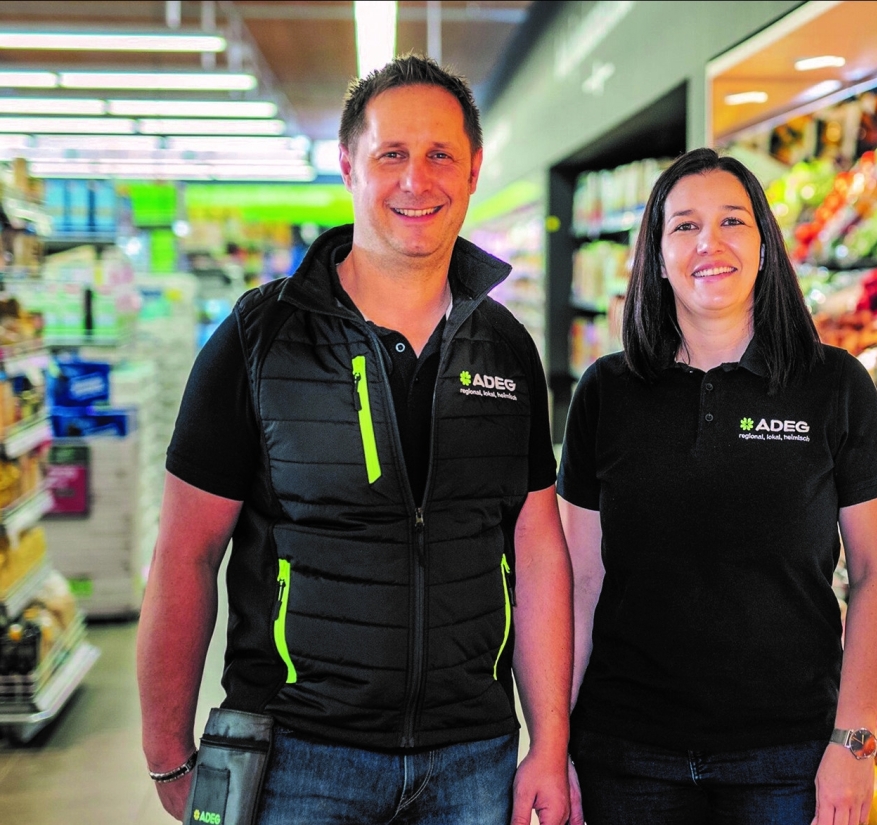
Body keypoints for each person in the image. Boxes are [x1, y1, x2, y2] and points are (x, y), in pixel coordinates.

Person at [138, 54, 573, 825]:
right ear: (348, 165)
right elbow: (185, 553)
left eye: (440, 154)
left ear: (474, 170)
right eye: (391, 153)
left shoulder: (507, 349)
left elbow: (537, 552)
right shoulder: (258, 339)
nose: (416, 179)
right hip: (298, 758)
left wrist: (549, 741)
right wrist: (168, 751)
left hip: (471, 758)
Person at [557, 148, 877, 825]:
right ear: (657, 258)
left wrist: (854, 742)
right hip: (627, 753)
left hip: (787, 756)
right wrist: (554, 740)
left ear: (765, 246)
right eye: (684, 226)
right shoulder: (606, 392)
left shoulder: (835, 385)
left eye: (732, 222)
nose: (708, 243)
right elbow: (581, 582)